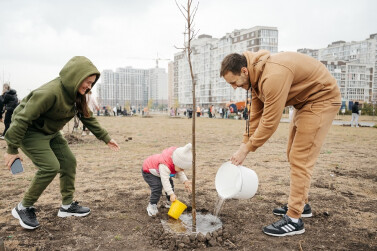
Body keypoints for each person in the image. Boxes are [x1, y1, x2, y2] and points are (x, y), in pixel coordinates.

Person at [220, 50, 341, 237]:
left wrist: (247, 149)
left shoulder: (272, 76)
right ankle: (302, 204)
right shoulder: (254, 80)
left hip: (321, 99)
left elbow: (269, 122)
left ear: (244, 71)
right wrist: (243, 145)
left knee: (301, 158)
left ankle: (294, 219)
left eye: (233, 82)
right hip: (304, 103)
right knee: (292, 153)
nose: (234, 87)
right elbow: (255, 117)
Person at [4, 56, 120, 230]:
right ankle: (23, 207)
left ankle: (67, 206)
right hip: (30, 132)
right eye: (87, 82)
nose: (89, 86)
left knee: (68, 162)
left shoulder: (76, 95)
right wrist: (12, 149)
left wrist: (106, 138)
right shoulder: (50, 92)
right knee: (50, 166)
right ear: (76, 76)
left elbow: (86, 116)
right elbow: (21, 118)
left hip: (50, 132)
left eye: (91, 83)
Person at [142, 143, 192, 216]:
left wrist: (185, 181)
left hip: (160, 172)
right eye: (181, 168)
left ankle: (169, 202)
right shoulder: (165, 166)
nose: (182, 170)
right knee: (157, 187)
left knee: (170, 184)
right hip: (149, 171)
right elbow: (165, 181)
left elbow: (180, 172)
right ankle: (152, 205)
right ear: (176, 163)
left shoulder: (176, 163)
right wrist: (171, 194)